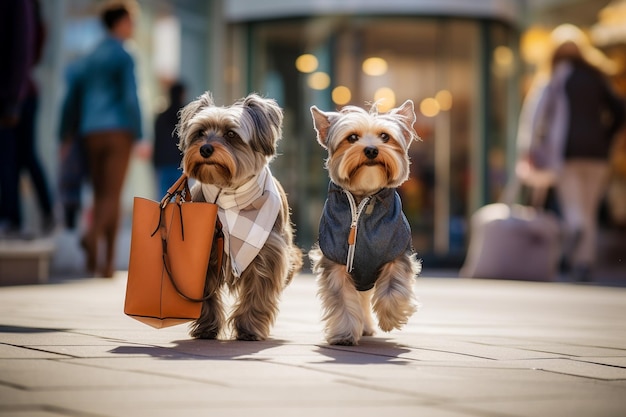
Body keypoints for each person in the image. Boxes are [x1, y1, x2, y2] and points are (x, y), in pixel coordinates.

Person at [517, 24, 625, 282]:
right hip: (598, 154)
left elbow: (535, 116)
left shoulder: (554, 77)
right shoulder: (598, 77)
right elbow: (621, 109)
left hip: (567, 153)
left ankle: (575, 235)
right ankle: (584, 263)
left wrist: (529, 148)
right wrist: (608, 137)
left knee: (574, 207)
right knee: (589, 208)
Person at [59, 1, 142, 278]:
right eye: (131, 21)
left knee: (99, 194)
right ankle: (92, 238)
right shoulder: (124, 55)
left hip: (89, 132)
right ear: (118, 23)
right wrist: (140, 134)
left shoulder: (89, 56)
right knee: (113, 195)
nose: (134, 27)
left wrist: (65, 134)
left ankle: (100, 264)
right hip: (118, 131)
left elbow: (71, 99)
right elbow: (131, 98)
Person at [0, 0, 49, 237]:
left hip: (16, 95)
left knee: (15, 158)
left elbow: (22, 49)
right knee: (17, 158)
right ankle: (17, 217)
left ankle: (14, 218)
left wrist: (13, 99)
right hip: (17, 92)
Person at [153, 82, 186, 197]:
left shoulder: (161, 117)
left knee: (162, 200)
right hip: (180, 163)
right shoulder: (185, 117)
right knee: (180, 200)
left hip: (163, 164)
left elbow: (157, 142)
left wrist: (155, 162)